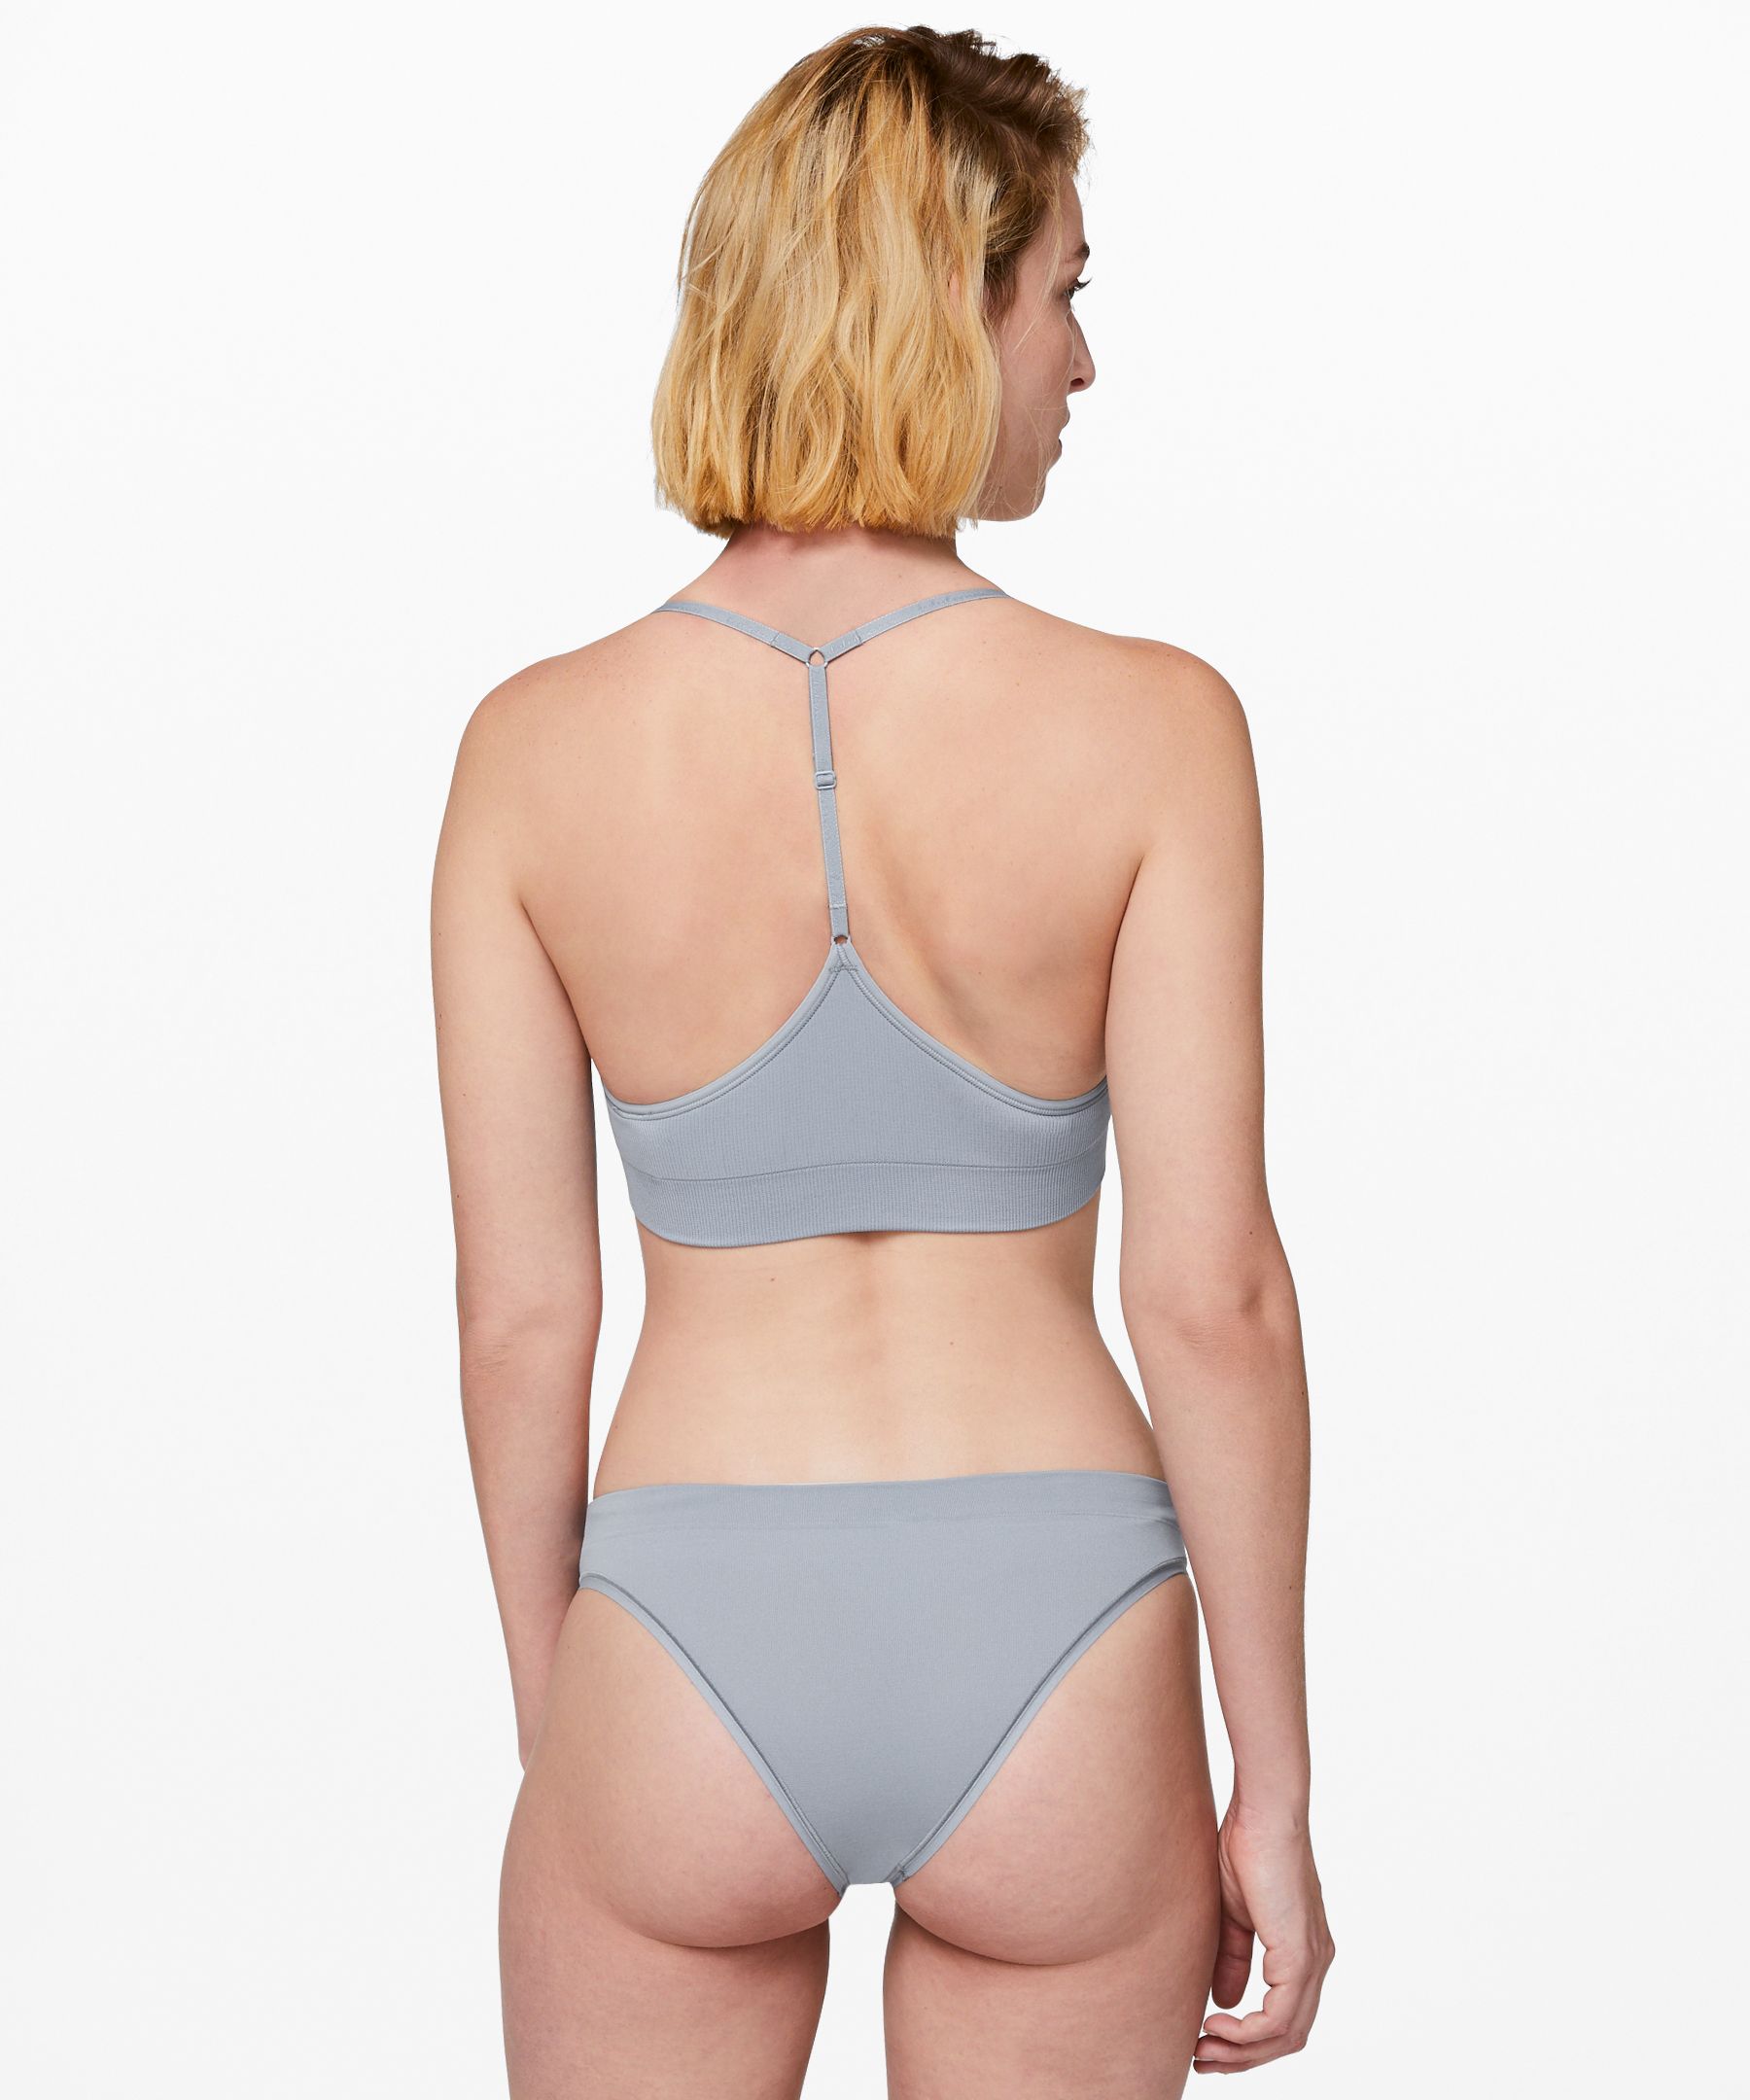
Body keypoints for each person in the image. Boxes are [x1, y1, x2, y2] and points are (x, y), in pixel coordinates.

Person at [432, 25, 1333, 2096]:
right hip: (1063, 1636)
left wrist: (570, 1735)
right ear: (953, 298)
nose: (1083, 362)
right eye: (1064, 293)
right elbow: (1214, 1300)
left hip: (680, 1619)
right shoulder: (1157, 727)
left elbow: (519, 1319)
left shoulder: (529, 752)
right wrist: (1271, 1778)